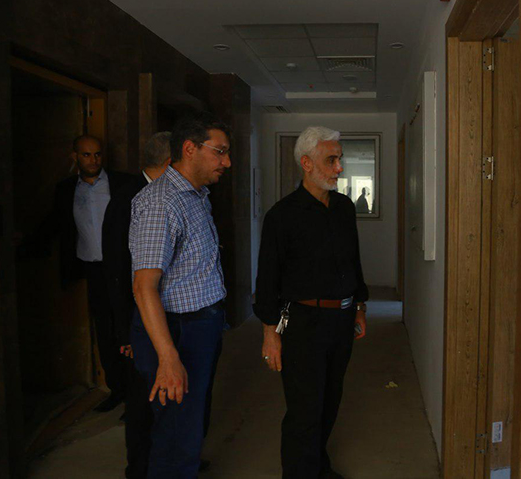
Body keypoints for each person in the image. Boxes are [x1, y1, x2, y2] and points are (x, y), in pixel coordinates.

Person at [254, 126, 369, 479]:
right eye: (331, 160)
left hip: (342, 320)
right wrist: (270, 333)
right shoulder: (282, 216)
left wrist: (360, 306)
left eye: (340, 159)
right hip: (303, 323)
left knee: (330, 401)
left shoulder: (344, 207)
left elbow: (353, 260)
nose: (339, 168)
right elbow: (267, 279)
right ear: (306, 163)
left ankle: (318, 467)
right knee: (305, 409)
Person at [129, 113, 231, 478]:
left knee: (189, 425)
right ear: (190, 148)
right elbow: (144, 286)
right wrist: (168, 356)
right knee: (176, 435)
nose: (227, 162)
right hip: (177, 331)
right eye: (220, 151)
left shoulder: (196, 195)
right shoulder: (161, 202)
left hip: (200, 326)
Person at [29, 135, 134, 412]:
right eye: (86, 155)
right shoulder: (66, 189)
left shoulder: (122, 183)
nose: (93, 160)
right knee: (105, 331)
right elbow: (55, 222)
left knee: (128, 328)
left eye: (97, 154)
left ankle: (136, 396)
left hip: (122, 267)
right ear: (75, 156)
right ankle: (117, 390)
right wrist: (23, 245)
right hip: (93, 268)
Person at [103, 131, 171, 479]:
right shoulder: (129, 198)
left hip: (163, 313)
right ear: (171, 162)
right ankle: (140, 470)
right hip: (137, 320)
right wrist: (125, 331)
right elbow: (117, 270)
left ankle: (168, 460)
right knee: (142, 402)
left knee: (166, 398)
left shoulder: (169, 195)